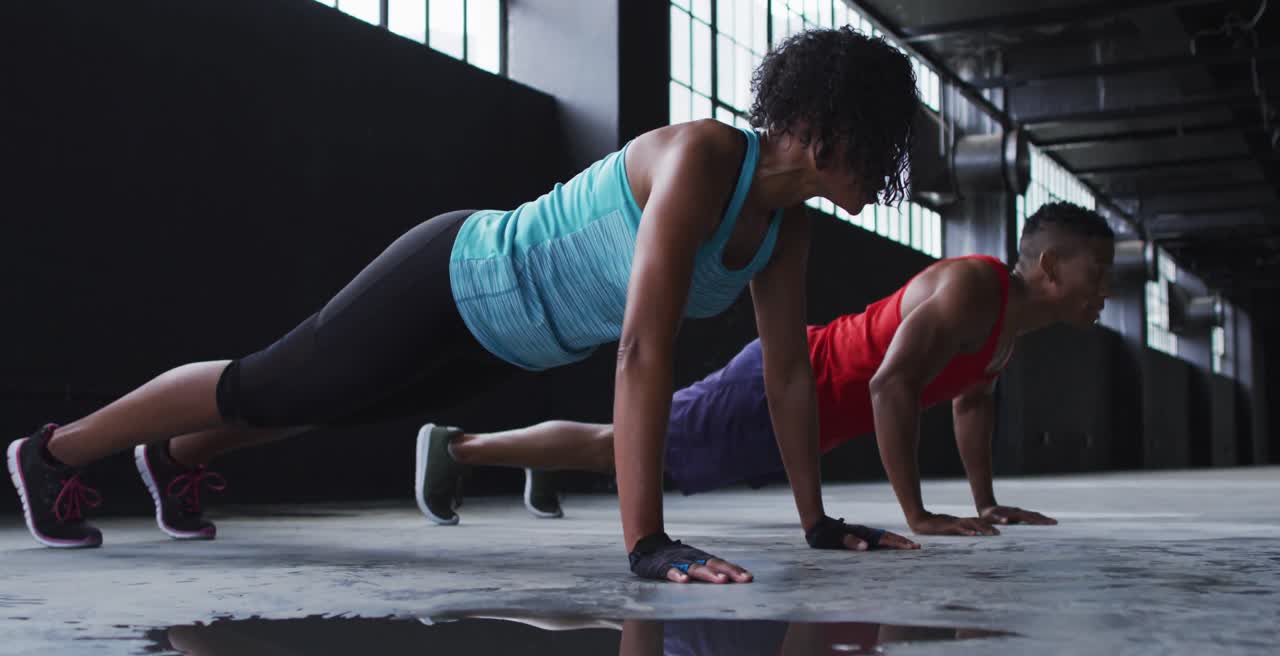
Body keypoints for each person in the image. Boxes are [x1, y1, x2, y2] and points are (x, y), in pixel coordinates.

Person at [6, 27, 919, 583]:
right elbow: (644, 348)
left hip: (507, 344)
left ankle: (175, 457)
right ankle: (53, 454)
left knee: (320, 403)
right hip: (460, 276)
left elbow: (790, 375)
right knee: (266, 381)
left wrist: (818, 523)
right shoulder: (704, 156)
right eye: (880, 155)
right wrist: (647, 542)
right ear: (826, 127)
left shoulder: (787, 232)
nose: (885, 181)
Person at [416, 202, 1113, 539]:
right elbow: (889, 385)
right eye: (1099, 271)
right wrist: (918, 514)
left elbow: (970, 406)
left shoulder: (1006, 332)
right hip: (778, 388)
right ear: (1050, 267)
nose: (1106, 289)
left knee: (625, 452)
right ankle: (458, 448)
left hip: (801, 419)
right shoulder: (972, 289)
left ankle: (541, 462)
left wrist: (985, 500)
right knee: (618, 449)